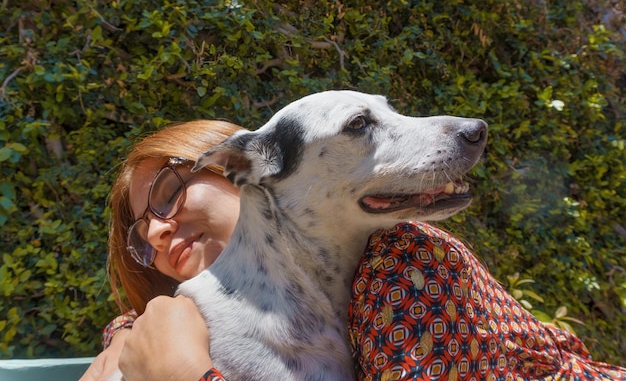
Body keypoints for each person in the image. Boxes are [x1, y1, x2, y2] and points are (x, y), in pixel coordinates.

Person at [81, 120, 626, 381]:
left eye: (169, 192)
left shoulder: (401, 263)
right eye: (140, 232)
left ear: (241, 171)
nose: (156, 232)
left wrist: (184, 373)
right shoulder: (150, 326)